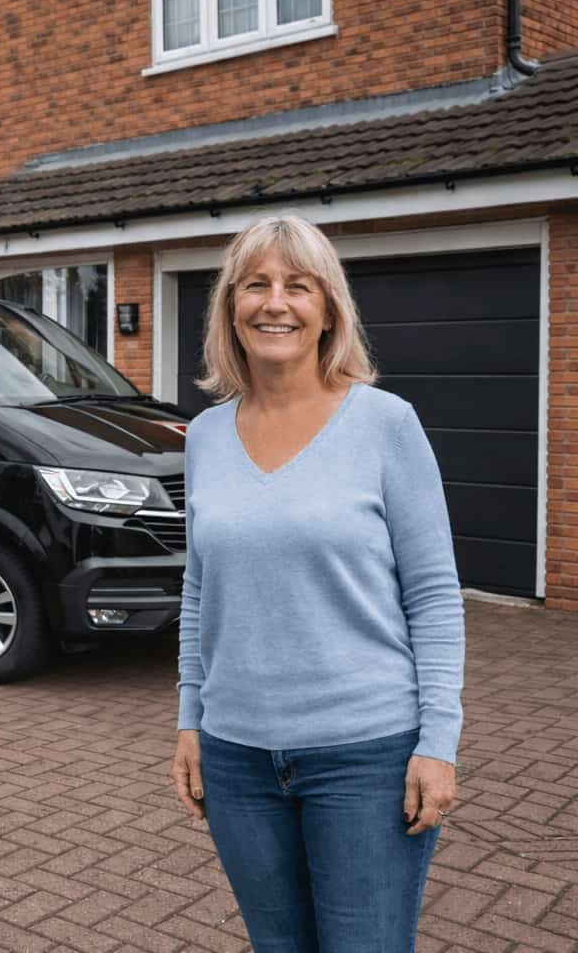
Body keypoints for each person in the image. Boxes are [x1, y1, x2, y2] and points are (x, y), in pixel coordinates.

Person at [170, 214, 464, 952]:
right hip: (236, 757)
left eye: (298, 286)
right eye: (256, 285)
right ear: (230, 308)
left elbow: (433, 594)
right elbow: (199, 590)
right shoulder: (205, 436)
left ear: (329, 310)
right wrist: (190, 719)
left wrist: (439, 741)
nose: (276, 303)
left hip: (366, 757)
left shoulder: (386, 424)